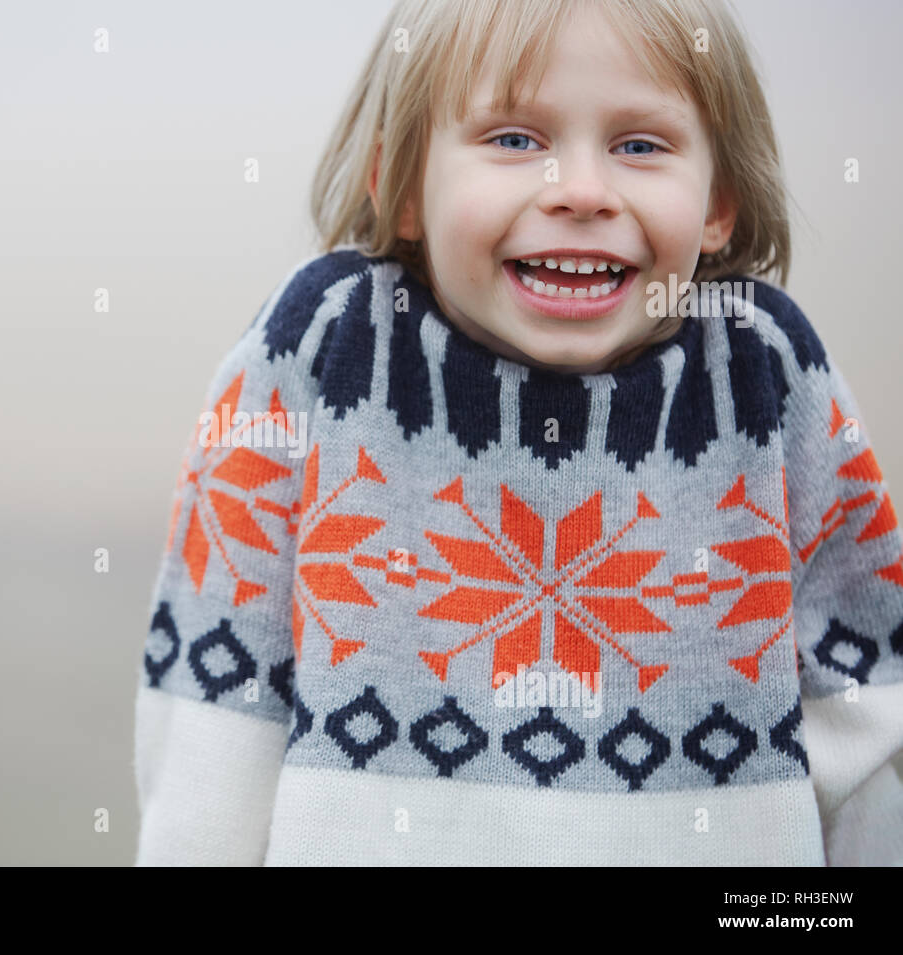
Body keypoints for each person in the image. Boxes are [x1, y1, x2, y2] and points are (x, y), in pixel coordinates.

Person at [132, 0, 903, 865]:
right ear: (402, 184)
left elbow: (870, 726)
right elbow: (213, 715)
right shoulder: (323, 347)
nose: (579, 191)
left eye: (639, 145)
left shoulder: (763, 373)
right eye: (513, 140)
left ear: (720, 202)